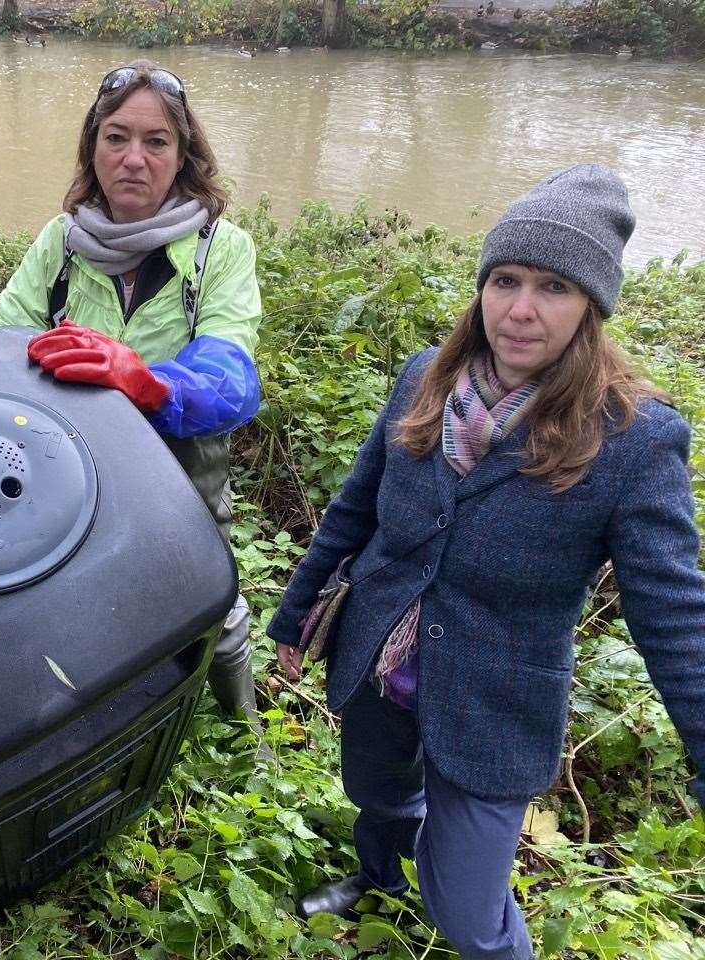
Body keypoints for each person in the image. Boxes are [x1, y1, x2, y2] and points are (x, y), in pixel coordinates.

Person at [267, 165, 705, 958]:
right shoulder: (421, 382)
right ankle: (380, 877)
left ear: (592, 307)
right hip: (381, 662)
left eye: (553, 287)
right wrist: (297, 615)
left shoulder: (635, 443)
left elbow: (676, 619)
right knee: (378, 793)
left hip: (495, 703)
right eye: (504, 280)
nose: (521, 310)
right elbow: (355, 513)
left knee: (470, 913)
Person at [0, 61, 265, 724]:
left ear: (183, 155)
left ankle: (244, 729)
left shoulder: (218, 251)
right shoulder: (60, 243)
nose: (133, 159)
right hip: (73, 471)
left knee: (213, 607)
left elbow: (231, 378)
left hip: (180, 474)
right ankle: (116, 726)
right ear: (93, 147)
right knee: (82, 603)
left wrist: (142, 381)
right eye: (116, 138)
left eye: (156, 141)